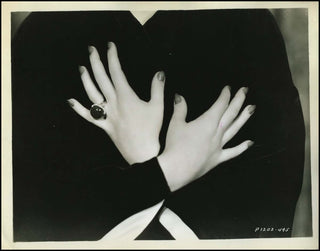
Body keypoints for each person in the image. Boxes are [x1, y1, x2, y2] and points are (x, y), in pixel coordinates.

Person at [12, 9, 305, 241]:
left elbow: (263, 229)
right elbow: (32, 229)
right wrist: (166, 170)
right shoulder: (46, 33)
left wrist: (144, 171)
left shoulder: (247, 27)